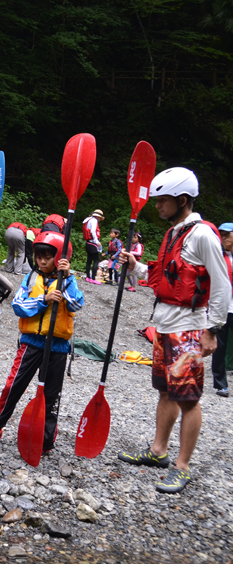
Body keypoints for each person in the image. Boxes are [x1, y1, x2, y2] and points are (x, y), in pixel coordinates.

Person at [116, 167, 231, 493]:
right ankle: (158, 452)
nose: (157, 206)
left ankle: (182, 466)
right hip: (165, 327)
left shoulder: (203, 235)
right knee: (165, 391)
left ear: (182, 200)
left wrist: (213, 329)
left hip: (190, 330)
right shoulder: (173, 234)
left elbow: (222, 284)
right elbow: (162, 276)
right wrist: (134, 267)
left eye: (162, 200)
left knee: (189, 399)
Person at [0, 232, 83, 454]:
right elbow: (18, 306)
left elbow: (75, 305)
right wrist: (44, 300)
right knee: (12, 387)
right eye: (39, 256)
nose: (42, 261)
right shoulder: (31, 278)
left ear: (60, 258)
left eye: (47, 257)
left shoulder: (69, 280)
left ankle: (45, 439)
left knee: (51, 396)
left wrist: (67, 279)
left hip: (58, 347)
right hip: (32, 343)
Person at [211, 223, 233, 397]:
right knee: (219, 346)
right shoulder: (217, 256)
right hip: (222, 309)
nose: (223, 237)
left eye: (227, 234)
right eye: (221, 234)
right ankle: (220, 384)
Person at [82, 209, 104, 283]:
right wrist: (97, 241)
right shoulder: (94, 220)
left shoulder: (88, 220)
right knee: (96, 261)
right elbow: (93, 231)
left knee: (89, 260)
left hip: (88, 243)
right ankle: (93, 278)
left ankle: (88, 277)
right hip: (93, 243)